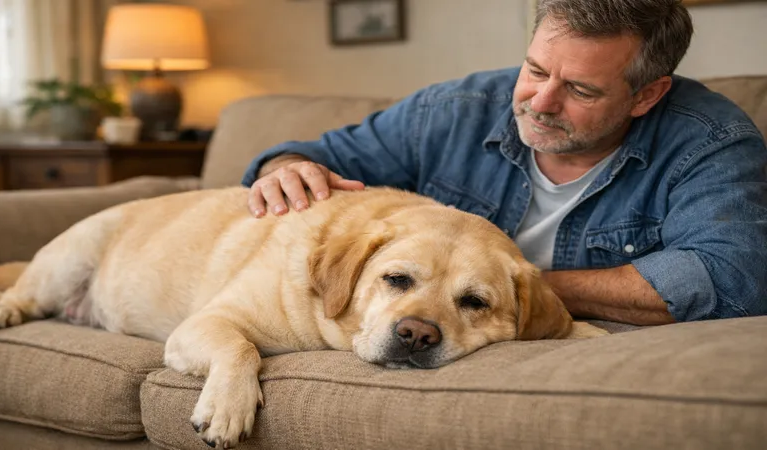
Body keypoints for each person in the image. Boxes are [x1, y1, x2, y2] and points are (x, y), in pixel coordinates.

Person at [240, 0, 767, 326]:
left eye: (580, 89)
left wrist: (513, 293)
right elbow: (320, 156)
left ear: (647, 95)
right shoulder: (454, 110)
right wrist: (284, 167)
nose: (539, 102)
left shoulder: (711, 143)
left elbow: (732, 278)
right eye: (536, 70)